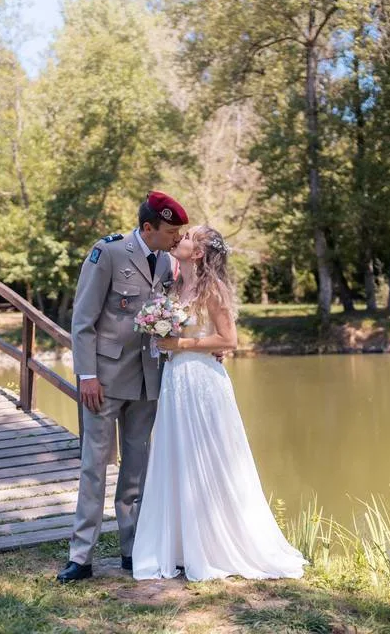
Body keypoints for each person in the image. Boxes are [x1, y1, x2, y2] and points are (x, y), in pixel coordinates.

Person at [131, 225, 307, 581]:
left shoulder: (213, 288)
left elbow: (229, 338)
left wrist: (180, 345)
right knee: (176, 454)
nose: (179, 237)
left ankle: (215, 546)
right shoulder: (175, 283)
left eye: (187, 236)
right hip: (176, 379)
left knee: (209, 455)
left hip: (202, 382)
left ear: (198, 253)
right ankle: (179, 546)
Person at [56, 191, 187, 584]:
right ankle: (81, 556)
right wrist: (87, 375)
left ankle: (133, 550)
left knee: (136, 470)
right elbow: (83, 320)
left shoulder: (167, 262)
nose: (176, 239)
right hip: (105, 380)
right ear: (148, 228)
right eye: (170, 231)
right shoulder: (108, 252)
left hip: (148, 379)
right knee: (94, 467)